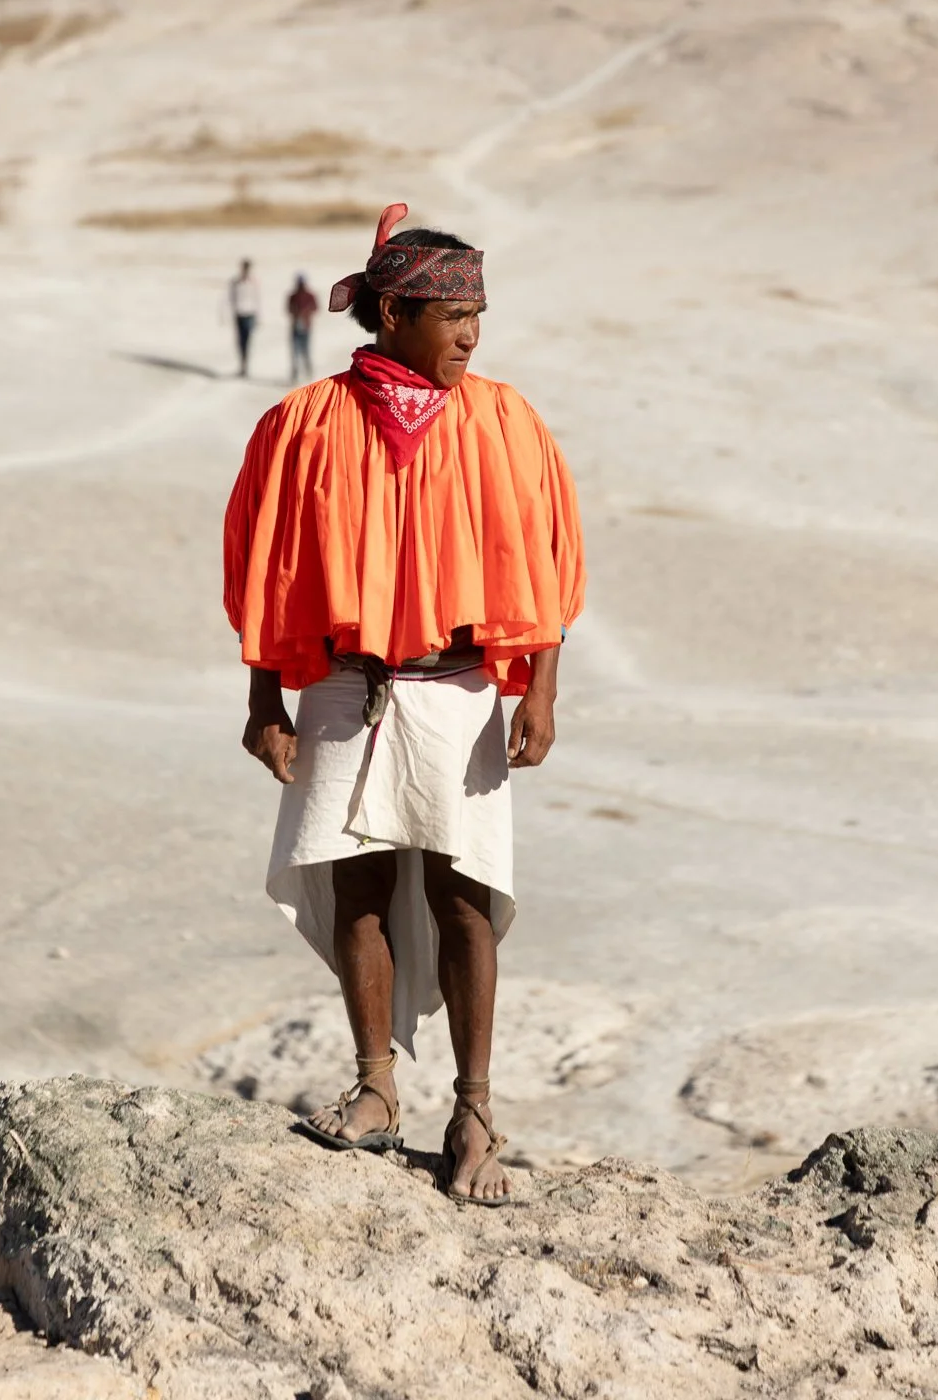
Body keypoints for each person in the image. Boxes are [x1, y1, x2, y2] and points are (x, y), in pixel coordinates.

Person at [224, 204, 584, 1206]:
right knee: (357, 889)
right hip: (346, 684)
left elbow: (547, 558)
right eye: (450, 311)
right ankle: (375, 1085)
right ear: (391, 312)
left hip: (460, 688)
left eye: (479, 311)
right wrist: (264, 699)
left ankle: (473, 1114)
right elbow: (266, 565)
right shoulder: (303, 424)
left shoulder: (507, 420)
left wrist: (541, 687)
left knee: (465, 897)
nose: (470, 332)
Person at [228, 259, 260, 377]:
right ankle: (242, 364)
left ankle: (245, 365)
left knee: (247, 341)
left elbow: (257, 299)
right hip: (239, 314)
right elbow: (231, 298)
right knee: (240, 341)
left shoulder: (253, 282)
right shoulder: (236, 282)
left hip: (249, 314)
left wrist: (258, 316)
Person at [287, 273, 318, 383]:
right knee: (295, 352)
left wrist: (305, 313)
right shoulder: (293, 296)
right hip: (296, 327)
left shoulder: (310, 296)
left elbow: (315, 308)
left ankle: (308, 372)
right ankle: (295, 374)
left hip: (306, 326)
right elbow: (288, 309)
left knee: (306, 351)